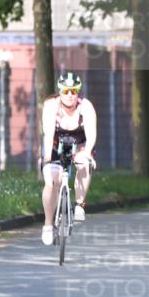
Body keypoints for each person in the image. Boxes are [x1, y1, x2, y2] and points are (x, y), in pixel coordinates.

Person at [40, 71, 97, 245]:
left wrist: (87, 152)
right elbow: (49, 134)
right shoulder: (51, 106)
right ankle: (48, 225)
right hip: (56, 145)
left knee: (83, 163)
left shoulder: (85, 106)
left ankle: (80, 205)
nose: (70, 95)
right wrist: (47, 158)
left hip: (78, 145)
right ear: (60, 91)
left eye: (74, 91)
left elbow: (91, 134)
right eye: (66, 91)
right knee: (51, 182)